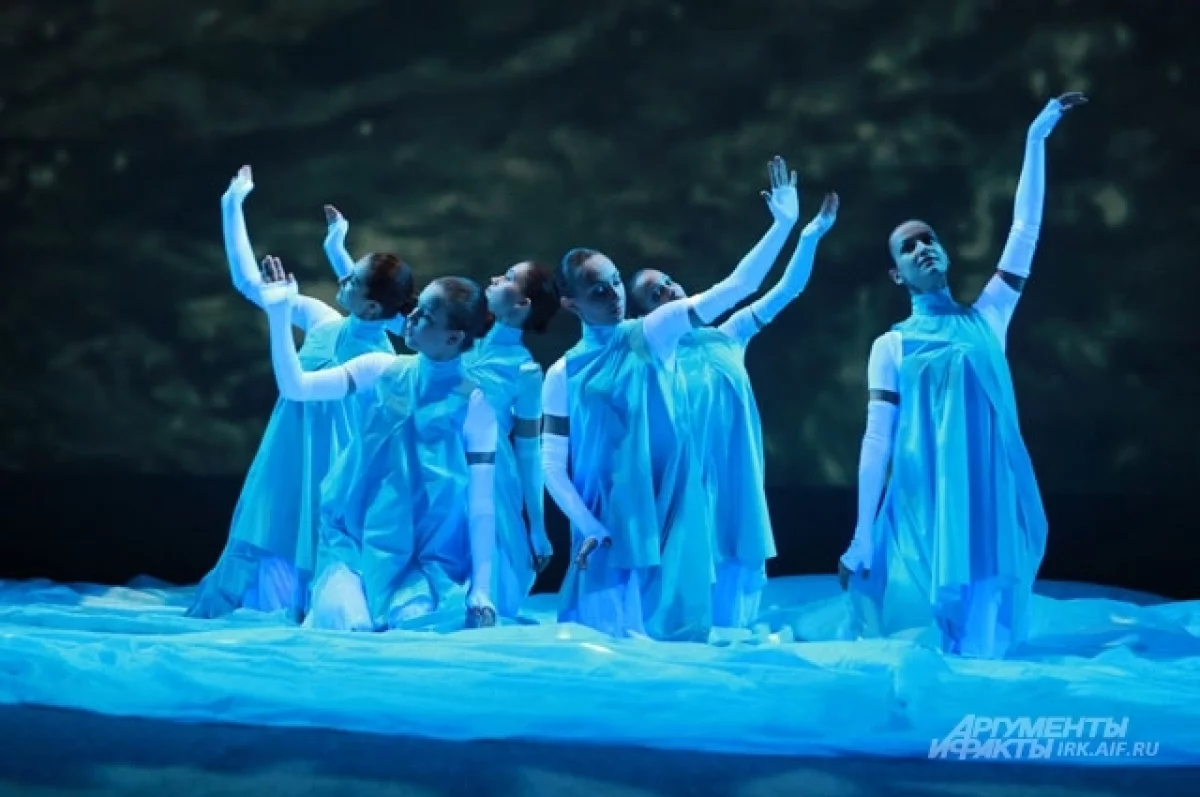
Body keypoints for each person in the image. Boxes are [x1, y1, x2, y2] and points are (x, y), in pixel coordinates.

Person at [838, 93, 1087, 658]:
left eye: (928, 239)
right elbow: (876, 442)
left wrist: (1036, 138)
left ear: (946, 253)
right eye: (908, 247)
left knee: (982, 648)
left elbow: (1025, 229)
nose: (922, 248)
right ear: (896, 274)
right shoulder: (891, 346)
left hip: (985, 503)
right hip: (923, 506)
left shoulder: (988, 318)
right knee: (924, 642)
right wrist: (862, 535)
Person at [542, 156, 802, 641]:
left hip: (670, 508)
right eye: (598, 291)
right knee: (604, 651)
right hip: (606, 521)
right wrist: (590, 525)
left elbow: (737, 287)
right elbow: (552, 465)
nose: (614, 295)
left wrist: (782, 226)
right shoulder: (561, 373)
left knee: (673, 642)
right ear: (571, 303)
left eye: (616, 282)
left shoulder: (651, 331)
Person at [187, 167, 415, 620]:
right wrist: (232, 204)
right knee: (261, 538)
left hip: (334, 471)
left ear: (372, 305)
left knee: (318, 565)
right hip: (286, 457)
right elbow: (249, 283)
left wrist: (335, 255)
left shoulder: (382, 362)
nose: (341, 281)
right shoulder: (322, 319)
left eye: (352, 281)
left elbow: (307, 390)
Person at [628, 191, 840, 629]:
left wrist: (809, 236)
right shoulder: (655, 349)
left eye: (667, 281)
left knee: (737, 570)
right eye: (654, 293)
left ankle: (734, 640)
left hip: (735, 479)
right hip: (687, 485)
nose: (667, 290)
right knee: (688, 579)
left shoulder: (730, 335)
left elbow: (788, 289)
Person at [256, 259, 500, 630]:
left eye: (426, 316)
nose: (411, 317)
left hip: (422, 560)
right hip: (352, 544)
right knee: (352, 627)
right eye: (416, 308)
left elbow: (481, 503)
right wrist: (278, 313)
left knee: (412, 629)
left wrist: (481, 589)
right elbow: (297, 387)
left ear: (453, 337)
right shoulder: (380, 368)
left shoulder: (474, 402)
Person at [461, 261, 560, 620]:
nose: (494, 278)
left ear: (522, 304)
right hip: (434, 455)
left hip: (489, 470)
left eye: (508, 278)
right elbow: (391, 313)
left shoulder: (525, 371)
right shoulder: (457, 335)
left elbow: (529, 450)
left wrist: (539, 527)